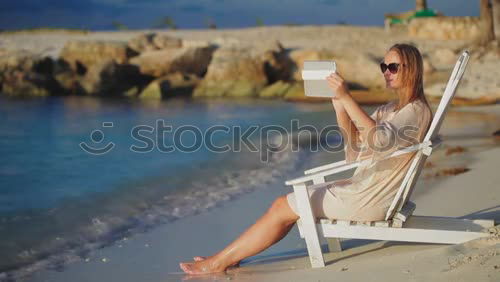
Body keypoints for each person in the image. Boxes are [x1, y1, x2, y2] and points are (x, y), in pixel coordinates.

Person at [179, 43, 433, 275]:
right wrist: (340, 109)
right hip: (364, 188)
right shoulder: (390, 109)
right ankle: (227, 257)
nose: (385, 72)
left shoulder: (415, 111)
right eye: (383, 66)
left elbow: (378, 140)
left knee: (283, 206)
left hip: (372, 198)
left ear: (411, 70)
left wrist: (347, 97)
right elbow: (354, 152)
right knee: (284, 206)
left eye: (392, 67)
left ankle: (218, 262)